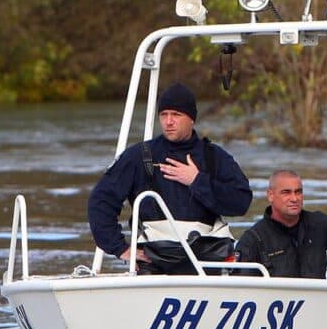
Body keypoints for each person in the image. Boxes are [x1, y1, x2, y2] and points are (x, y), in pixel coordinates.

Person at [87, 82, 252, 274]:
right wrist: (120, 248)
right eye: (164, 115)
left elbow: (241, 202)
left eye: (176, 114)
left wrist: (197, 181)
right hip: (155, 262)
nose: (169, 121)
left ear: (191, 119)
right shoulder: (139, 156)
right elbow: (100, 201)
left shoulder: (214, 157)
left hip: (207, 261)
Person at [235, 170, 327, 281]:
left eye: (298, 192)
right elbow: (242, 287)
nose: (294, 199)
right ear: (270, 195)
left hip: (318, 304)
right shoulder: (253, 240)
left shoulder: (322, 225)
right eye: (286, 192)